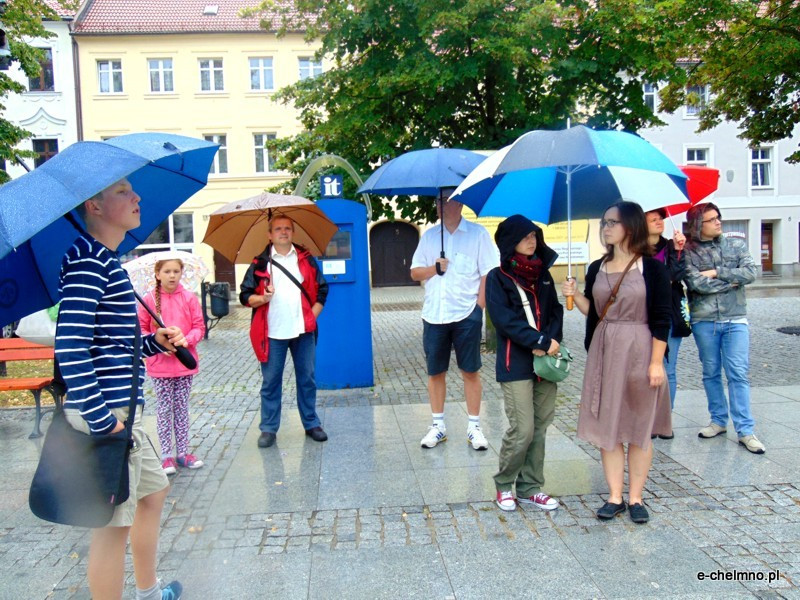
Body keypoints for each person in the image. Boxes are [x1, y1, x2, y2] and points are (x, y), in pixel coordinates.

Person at [55, 178, 186, 599]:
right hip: (109, 415)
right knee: (112, 527)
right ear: (93, 205)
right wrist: (100, 419)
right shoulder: (87, 262)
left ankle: (148, 592)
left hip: (126, 411)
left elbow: (109, 344)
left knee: (153, 492)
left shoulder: (106, 260)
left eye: (135, 189)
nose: (138, 197)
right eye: (124, 192)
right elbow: (70, 345)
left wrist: (152, 342)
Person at [562, 201, 671, 524]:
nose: (606, 227)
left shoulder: (651, 268)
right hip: (605, 352)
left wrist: (656, 363)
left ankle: (636, 497)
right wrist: (574, 294)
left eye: (612, 222)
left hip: (640, 348)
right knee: (607, 424)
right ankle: (614, 496)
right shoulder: (596, 267)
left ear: (631, 226)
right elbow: (596, 314)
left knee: (639, 427)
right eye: (604, 222)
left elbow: (662, 318)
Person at [410, 188, 498, 450]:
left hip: (465, 313)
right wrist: (433, 269)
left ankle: (474, 427)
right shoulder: (428, 237)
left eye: (446, 200)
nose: (440, 204)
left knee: (470, 370)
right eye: (438, 200)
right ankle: (438, 426)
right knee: (436, 372)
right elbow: (415, 273)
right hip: (434, 314)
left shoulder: (478, 235)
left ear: (459, 204)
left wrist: (478, 309)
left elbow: (488, 274)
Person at [486, 215, 563, 512]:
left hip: (546, 363)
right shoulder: (498, 277)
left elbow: (555, 312)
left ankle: (530, 487)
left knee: (541, 427)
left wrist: (552, 342)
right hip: (515, 362)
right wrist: (540, 342)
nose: (532, 240)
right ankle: (504, 484)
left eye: (534, 235)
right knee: (523, 429)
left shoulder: (543, 273)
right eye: (525, 236)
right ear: (509, 242)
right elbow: (504, 321)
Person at [239, 216, 329, 448]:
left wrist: (312, 316)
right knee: (270, 382)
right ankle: (268, 428)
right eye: (278, 228)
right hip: (271, 332)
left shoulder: (306, 259)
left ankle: (311, 423)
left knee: (307, 379)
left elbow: (322, 289)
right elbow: (244, 296)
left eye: (287, 228)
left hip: (303, 331)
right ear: (269, 234)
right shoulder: (260, 263)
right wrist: (262, 298)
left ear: (293, 232)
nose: (283, 232)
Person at [683, 202, 764, 454]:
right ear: (699, 225)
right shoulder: (688, 251)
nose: (718, 222)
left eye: (718, 217)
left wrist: (717, 272)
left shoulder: (736, 245)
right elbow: (696, 284)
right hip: (704, 320)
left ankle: (745, 430)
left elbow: (750, 273)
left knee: (738, 373)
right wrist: (731, 282)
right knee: (711, 372)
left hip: (735, 318)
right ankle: (718, 420)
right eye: (711, 219)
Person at [138, 258, 206, 475]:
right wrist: (157, 344)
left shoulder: (189, 298)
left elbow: (199, 326)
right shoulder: (148, 301)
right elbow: (140, 331)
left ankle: (183, 451)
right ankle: (166, 455)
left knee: (182, 407)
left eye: (176, 271)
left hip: (184, 363)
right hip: (160, 366)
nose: (172, 275)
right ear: (158, 274)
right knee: (165, 409)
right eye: (167, 271)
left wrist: (186, 340)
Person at [645, 208, 691, 436]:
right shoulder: (636, 250)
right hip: (643, 315)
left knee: (668, 369)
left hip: (668, 313)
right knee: (648, 367)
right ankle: (648, 418)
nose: (658, 221)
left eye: (660, 218)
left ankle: (664, 421)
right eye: (652, 218)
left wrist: (679, 251)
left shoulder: (672, 246)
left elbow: (676, 276)